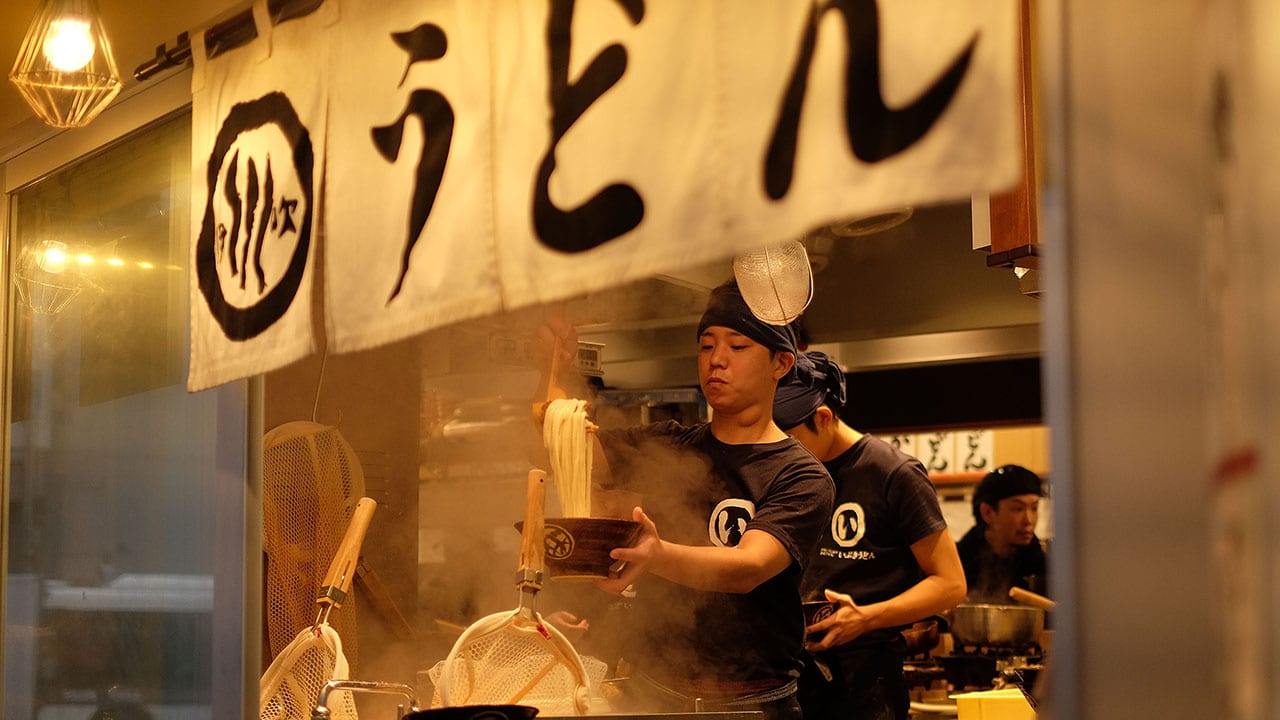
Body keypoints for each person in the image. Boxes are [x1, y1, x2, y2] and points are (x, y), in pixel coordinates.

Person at [535, 280, 835, 720]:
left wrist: (655, 554)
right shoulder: (669, 446)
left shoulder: (801, 475)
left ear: (781, 362)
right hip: (652, 693)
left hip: (751, 705)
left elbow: (747, 568)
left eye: (738, 346)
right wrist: (553, 372)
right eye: (706, 345)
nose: (716, 359)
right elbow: (567, 448)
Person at [771, 350, 967, 720]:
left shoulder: (893, 474)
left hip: (866, 681)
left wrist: (866, 617)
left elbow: (951, 584)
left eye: (788, 439)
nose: (779, 453)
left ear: (823, 418)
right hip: (789, 674)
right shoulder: (787, 477)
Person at [956, 464, 1048, 601]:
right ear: (987, 512)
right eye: (1018, 509)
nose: (1028, 520)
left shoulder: (1045, 569)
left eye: (1034, 508)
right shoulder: (957, 563)